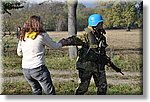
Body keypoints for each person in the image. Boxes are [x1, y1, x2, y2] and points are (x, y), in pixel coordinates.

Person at [59, 14, 110, 95]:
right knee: (83, 88)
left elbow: (102, 51)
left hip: (99, 66)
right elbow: (75, 39)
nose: (102, 25)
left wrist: (106, 60)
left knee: (102, 87)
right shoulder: (85, 35)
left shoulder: (101, 36)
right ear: (95, 24)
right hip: (86, 66)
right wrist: (63, 43)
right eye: (100, 23)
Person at [17, 15, 65, 95]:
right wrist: (63, 42)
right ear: (38, 24)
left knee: (36, 91)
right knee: (50, 93)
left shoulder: (24, 35)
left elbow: (19, 53)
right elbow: (55, 46)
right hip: (38, 69)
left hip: (26, 70)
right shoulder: (42, 35)